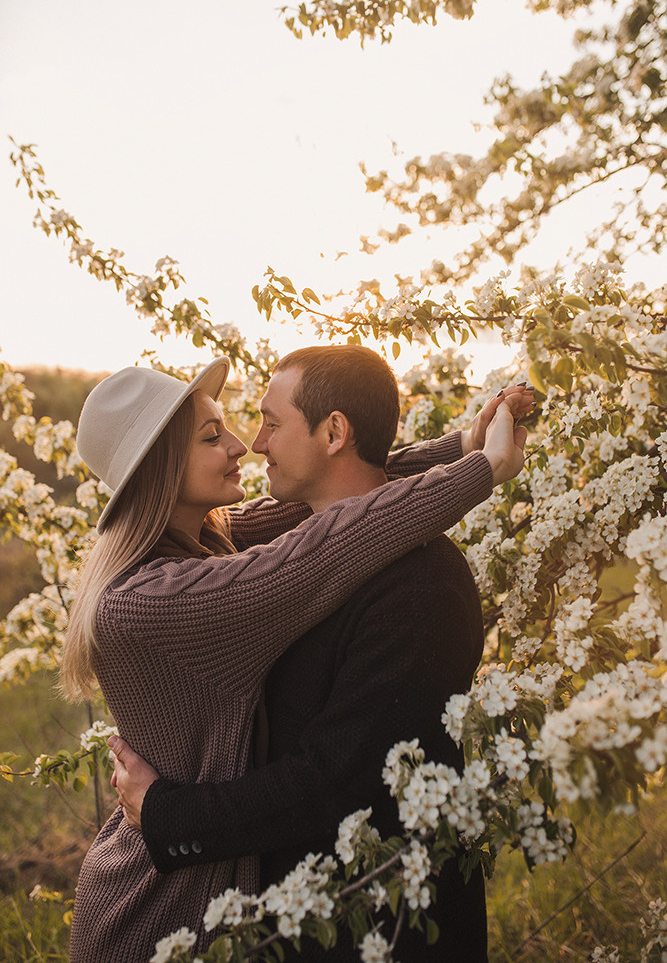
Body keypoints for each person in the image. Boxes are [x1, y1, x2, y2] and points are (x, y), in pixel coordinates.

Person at [102, 346, 531, 961]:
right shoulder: (173, 588)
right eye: (214, 434)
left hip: (382, 926)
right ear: (163, 472)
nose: (249, 444)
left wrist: (465, 446)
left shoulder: (419, 582)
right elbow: (319, 544)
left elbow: (336, 778)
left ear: (333, 432)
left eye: (267, 423)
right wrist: (479, 469)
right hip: (163, 910)